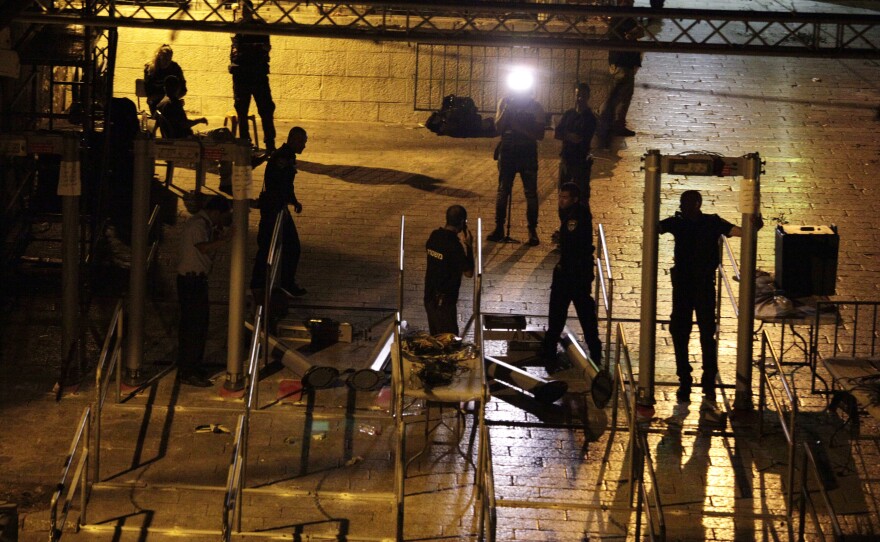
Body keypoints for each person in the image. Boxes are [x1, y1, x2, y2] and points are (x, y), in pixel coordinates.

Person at [659, 190, 760, 404]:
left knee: (705, 331)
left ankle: (706, 379)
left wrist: (755, 223)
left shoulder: (710, 222)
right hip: (687, 284)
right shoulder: (685, 222)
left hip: (700, 284)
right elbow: (654, 227)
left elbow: (741, 232)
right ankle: (686, 378)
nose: (683, 206)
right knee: (682, 331)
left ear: (697, 204)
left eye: (686, 202)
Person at [539, 183, 603, 365]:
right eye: (560, 197)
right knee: (578, 312)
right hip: (575, 271)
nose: (561, 200)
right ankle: (593, 349)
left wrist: (562, 238)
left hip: (572, 272)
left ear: (574, 199)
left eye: (565, 197)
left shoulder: (575, 216)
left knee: (563, 312)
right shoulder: (575, 214)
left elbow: (574, 242)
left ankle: (551, 349)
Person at [176, 195, 233, 387]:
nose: (222, 220)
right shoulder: (198, 225)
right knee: (194, 327)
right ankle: (188, 370)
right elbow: (203, 248)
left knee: (198, 326)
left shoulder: (203, 224)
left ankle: (192, 366)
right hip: (191, 280)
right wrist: (226, 239)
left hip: (195, 280)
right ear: (216, 212)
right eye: (223, 216)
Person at [250, 127, 308, 299]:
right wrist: (289, 201)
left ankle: (268, 284)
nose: (304, 146)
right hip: (274, 210)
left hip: (276, 208)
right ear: (294, 140)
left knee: (273, 247)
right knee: (283, 247)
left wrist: (294, 201)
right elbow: (280, 184)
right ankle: (277, 284)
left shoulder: (285, 155)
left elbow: (285, 184)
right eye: (303, 142)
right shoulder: (283, 157)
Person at [487, 87, 545, 246]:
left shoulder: (536, 107)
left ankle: (532, 230)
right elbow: (498, 128)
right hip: (508, 150)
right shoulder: (505, 103)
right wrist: (507, 109)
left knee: (531, 193)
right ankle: (499, 227)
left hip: (527, 153)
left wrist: (517, 126)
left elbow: (539, 135)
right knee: (503, 190)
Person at [229, 0, 277, 151]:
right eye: (242, 8)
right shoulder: (238, 27)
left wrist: (249, 49)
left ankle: (269, 143)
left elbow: (264, 48)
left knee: (266, 109)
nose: (243, 11)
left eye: (245, 8)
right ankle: (246, 142)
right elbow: (238, 51)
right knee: (242, 110)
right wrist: (254, 49)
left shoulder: (257, 26)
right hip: (247, 74)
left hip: (254, 74)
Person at [598, 0, 644, 148]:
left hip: (625, 62)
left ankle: (617, 123)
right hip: (622, 62)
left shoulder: (624, 16)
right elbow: (638, 32)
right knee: (619, 94)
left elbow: (639, 32)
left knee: (624, 94)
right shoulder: (622, 17)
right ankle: (607, 119)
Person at [424, 205, 475, 336]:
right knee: (449, 340)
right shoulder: (454, 246)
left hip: (429, 297)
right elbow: (469, 272)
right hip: (444, 302)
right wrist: (469, 247)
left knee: (435, 336)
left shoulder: (434, 236)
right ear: (462, 223)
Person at [555, 82, 598, 204]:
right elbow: (557, 133)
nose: (579, 99)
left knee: (580, 195)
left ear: (588, 97)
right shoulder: (569, 114)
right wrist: (569, 136)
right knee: (562, 193)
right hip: (566, 158)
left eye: (583, 96)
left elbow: (581, 138)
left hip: (580, 161)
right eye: (578, 95)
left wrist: (566, 135)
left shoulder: (590, 118)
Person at [144, 44, 187, 115]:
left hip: (171, 99)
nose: (167, 62)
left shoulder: (175, 68)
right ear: (159, 56)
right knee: (162, 109)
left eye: (169, 59)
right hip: (155, 99)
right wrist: (161, 98)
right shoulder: (150, 68)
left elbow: (183, 89)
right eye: (165, 59)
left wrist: (173, 97)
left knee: (170, 107)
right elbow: (148, 90)